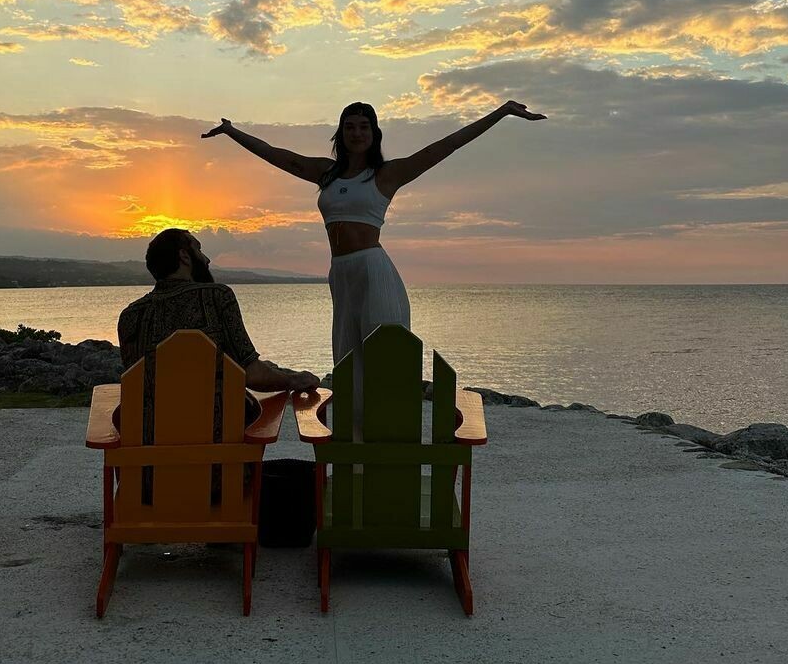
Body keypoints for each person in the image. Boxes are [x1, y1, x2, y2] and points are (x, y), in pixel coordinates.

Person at [202, 99, 546, 424]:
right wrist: (232, 132)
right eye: (350, 127)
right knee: (346, 359)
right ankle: (354, 435)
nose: (357, 133)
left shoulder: (387, 174)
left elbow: (447, 145)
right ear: (341, 133)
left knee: (383, 355)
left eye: (364, 127)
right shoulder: (326, 173)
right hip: (341, 274)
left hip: (374, 270)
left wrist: (501, 112)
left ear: (374, 133)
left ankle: (390, 427)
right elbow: (278, 156)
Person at [117, 227, 319, 504]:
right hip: (219, 480)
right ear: (184, 257)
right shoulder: (216, 297)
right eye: (199, 249)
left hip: (146, 484)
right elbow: (252, 374)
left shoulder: (130, 316)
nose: (207, 259)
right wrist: (293, 380)